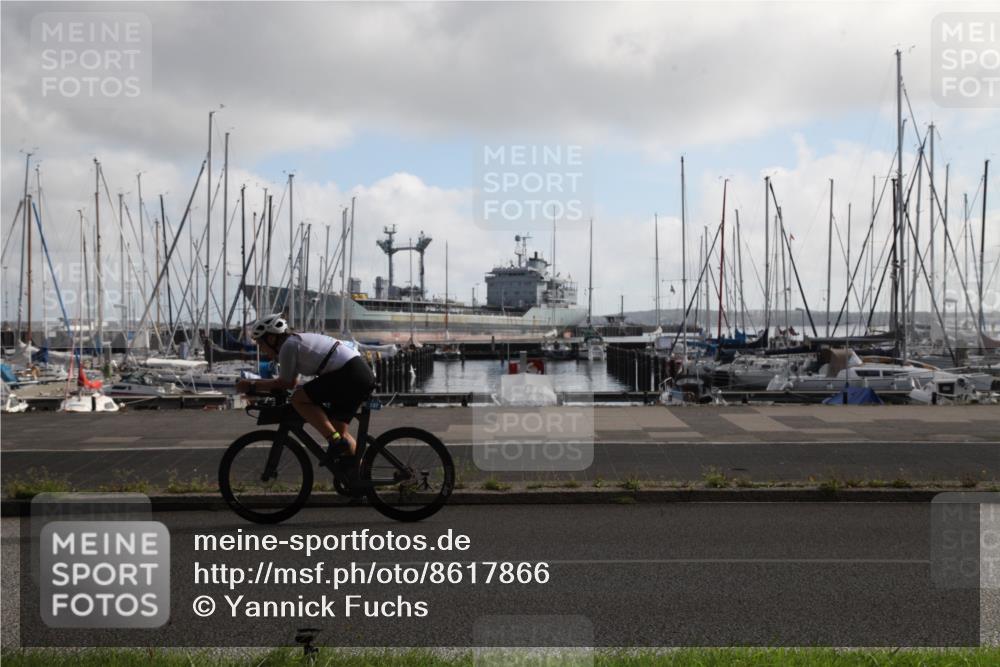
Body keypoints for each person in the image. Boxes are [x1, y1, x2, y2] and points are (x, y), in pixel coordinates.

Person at [234, 314, 376, 471]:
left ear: (272, 338)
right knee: (338, 431)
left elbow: (287, 383)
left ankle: (335, 441)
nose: (261, 349)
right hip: (355, 373)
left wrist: (251, 385)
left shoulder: (288, 346)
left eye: (260, 343)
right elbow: (290, 382)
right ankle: (360, 476)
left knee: (298, 399)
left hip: (349, 374)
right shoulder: (294, 342)